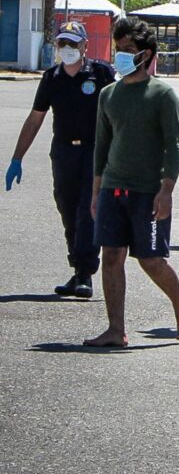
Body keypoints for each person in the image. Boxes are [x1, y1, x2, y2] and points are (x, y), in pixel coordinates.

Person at [84, 16, 179, 347]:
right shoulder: (108, 95)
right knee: (111, 257)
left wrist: (167, 190)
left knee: (150, 260)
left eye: (128, 49)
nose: (121, 55)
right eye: (118, 49)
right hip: (112, 189)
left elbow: (175, 144)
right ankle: (116, 329)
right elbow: (101, 146)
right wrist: (95, 191)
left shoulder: (161, 94)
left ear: (145, 55)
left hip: (148, 193)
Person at [6, 21, 116, 298]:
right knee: (67, 208)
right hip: (64, 150)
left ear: (85, 46)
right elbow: (35, 118)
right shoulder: (52, 77)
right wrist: (17, 158)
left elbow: (121, 111)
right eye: (62, 44)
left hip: (95, 150)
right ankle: (77, 265)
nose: (67, 49)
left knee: (86, 210)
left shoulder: (101, 73)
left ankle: (85, 273)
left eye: (73, 44)